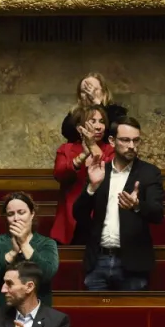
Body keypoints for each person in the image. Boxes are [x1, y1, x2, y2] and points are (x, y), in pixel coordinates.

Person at [73, 116, 165, 291]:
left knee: (132, 318)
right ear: (112, 141)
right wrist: (92, 187)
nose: (132, 146)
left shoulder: (149, 173)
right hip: (98, 261)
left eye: (136, 140)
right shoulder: (100, 170)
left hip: (132, 264)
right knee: (95, 318)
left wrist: (137, 205)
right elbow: (78, 214)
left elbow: (157, 214)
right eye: (125, 140)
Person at [0, 192, 59, 312]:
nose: (16, 219)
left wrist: (25, 245)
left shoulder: (46, 243)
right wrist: (12, 253)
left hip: (36, 314)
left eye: (21, 212)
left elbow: (47, 273)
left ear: (32, 214)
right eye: (11, 214)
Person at [52, 104, 114, 245]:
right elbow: (60, 175)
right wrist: (82, 156)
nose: (99, 126)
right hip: (70, 218)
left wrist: (92, 145)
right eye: (93, 121)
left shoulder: (111, 150)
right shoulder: (66, 149)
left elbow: (111, 173)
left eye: (102, 121)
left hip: (103, 218)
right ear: (80, 127)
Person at [60, 73, 126, 145]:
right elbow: (66, 132)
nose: (89, 94)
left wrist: (97, 104)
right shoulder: (75, 113)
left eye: (94, 90)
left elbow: (117, 132)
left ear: (104, 92)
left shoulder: (116, 110)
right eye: (84, 91)